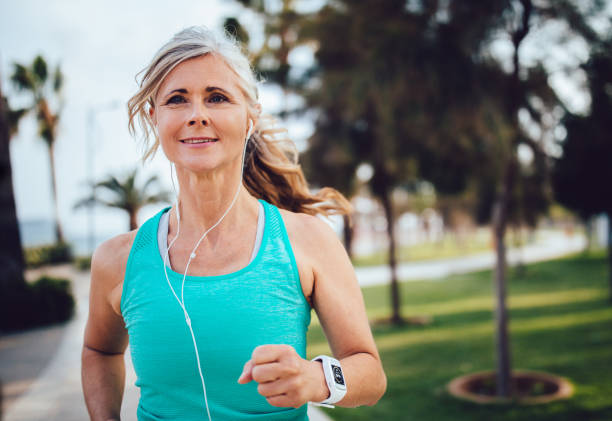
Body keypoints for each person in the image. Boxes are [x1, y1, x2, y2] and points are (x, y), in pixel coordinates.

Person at [81, 26, 386, 421]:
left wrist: (316, 378)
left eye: (217, 97)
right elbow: (99, 351)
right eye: (177, 99)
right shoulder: (116, 261)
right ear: (155, 118)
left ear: (250, 117)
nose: (197, 115)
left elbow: (371, 374)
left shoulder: (306, 241)